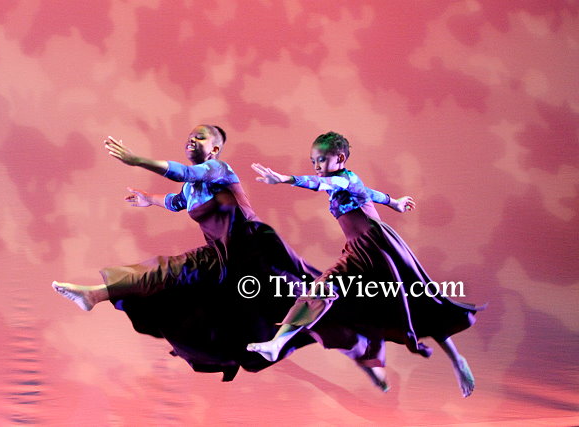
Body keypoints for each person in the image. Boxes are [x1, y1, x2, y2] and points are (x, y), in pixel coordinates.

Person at [52, 125, 320, 381]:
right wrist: (149, 199)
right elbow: (174, 201)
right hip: (220, 256)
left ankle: (335, 323)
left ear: (214, 150)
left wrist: (137, 160)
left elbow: (183, 173)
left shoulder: (219, 169)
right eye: (190, 136)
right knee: (170, 278)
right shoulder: (190, 189)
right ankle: (95, 294)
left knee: (305, 297)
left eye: (200, 137)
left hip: (252, 251)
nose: (192, 139)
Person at [246, 131, 481, 397]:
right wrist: (394, 202)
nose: (316, 166)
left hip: (379, 247)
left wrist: (286, 179)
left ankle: (457, 361)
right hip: (356, 251)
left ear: (340, 158)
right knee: (321, 290)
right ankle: (277, 343)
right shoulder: (345, 183)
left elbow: (320, 183)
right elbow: (369, 193)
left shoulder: (343, 179)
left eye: (321, 160)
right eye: (313, 161)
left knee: (419, 305)